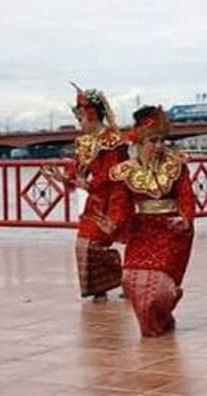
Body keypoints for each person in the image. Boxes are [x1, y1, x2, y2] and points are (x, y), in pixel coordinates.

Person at [109, 105, 196, 337]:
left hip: (172, 230)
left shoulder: (176, 164)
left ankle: (160, 317)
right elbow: (121, 205)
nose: (159, 146)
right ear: (139, 141)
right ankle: (158, 320)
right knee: (131, 280)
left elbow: (186, 196)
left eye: (162, 141)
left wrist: (185, 220)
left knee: (158, 287)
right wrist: (112, 225)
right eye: (153, 141)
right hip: (142, 229)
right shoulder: (126, 171)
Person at [43, 84, 128, 301]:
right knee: (84, 244)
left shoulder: (112, 140)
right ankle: (102, 287)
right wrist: (65, 177)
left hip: (115, 199)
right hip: (96, 200)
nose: (79, 122)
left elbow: (113, 174)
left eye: (80, 117)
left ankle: (124, 276)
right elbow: (79, 170)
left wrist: (86, 185)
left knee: (95, 243)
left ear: (91, 115)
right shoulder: (84, 142)